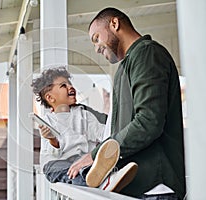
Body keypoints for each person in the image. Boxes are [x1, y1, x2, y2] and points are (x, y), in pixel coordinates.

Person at [67, 7, 186, 200]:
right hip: (134, 186)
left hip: (155, 187)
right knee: (66, 172)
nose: (96, 48)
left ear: (114, 24)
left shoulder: (147, 54)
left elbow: (148, 122)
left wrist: (98, 155)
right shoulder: (125, 67)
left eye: (96, 38)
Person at [31, 67, 137, 191]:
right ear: (50, 98)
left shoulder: (84, 115)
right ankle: (99, 182)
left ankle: (104, 175)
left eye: (70, 84)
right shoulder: (48, 121)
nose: (70, 87)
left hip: (82, 161)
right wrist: (52, 140)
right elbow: (53, 153)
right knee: (60, 169)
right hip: (59, 163)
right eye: (63, 85)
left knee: (89, 162)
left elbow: (102, 133)